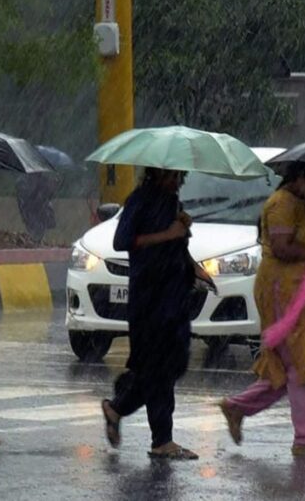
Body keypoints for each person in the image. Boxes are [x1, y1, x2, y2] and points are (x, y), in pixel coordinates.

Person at [218, 163, 305, 457]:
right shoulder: (281, 204)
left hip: (303, 290)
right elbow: (282, 248)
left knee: (301, 365)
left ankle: (237, 407)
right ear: (299, 178)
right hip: (282, 291)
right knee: (299, 365)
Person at [101, 168, 215, 460]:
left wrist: (195, 268)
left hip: (174, 297)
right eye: (171, 177)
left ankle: (119, 405)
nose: (176, 182)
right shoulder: (139, 200)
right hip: (150, 299)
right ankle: (161, 439)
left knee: (171, 365)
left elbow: (177, 247)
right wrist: (168, 233)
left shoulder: (173, 204)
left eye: (179, 177)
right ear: (155, 174)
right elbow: (123, 241)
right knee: (158, 369)